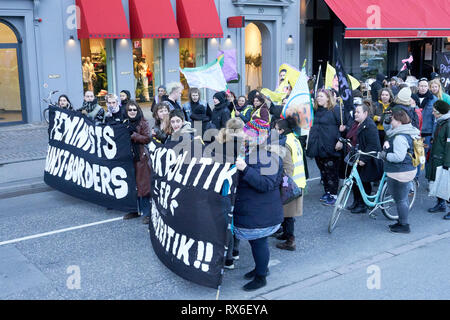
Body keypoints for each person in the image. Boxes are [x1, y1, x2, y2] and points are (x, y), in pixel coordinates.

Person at [233, 118, 283, 291]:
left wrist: (245, 169)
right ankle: (260, 268)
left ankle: (261, 276)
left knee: (259, 242)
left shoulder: (269, 155)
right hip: (253, 208)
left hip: (262, 211)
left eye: (250, 134)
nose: (246, 136)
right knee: (256, 243)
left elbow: (266, 184)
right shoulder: (250, 151)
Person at [378, 109, 421, 233]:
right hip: (406, 170)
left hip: (399, 172)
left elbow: (398, 157)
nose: (390, 121)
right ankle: (402, 221)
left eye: (392, 119)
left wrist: (384, 156)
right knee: (402, 198)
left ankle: (404, 225)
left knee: (400, 199)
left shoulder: (400, 137)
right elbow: (388, 129)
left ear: (399, 121)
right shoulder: (407, 131)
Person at [306, 89, 350, 206]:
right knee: (323, 171)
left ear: (328, 98)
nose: (318, 98)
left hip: (331, 146)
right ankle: (328, 192)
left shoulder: (336, 110)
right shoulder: (315, 111)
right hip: (317, 146)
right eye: (317, 96)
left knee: (332, 172)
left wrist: (341, 139)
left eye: (321, 96)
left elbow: (346, 126)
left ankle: (334, 194)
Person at [212, 118, 245, 269]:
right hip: (234, 185)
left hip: (225, 186)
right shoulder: (238, 145)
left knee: (229, 221)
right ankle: (233, 254)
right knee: (234, 219)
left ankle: (231, 255)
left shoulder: (219, 143)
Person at [339, 102, 383, 214]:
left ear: (366, 113)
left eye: (358, 112)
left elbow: (373, 145)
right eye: (355, 112)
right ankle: (356, 202)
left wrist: (364, 159)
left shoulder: (370, 126)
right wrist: (344, 130)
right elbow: (351, 135)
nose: (355, 114)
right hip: (355, 156)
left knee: (363, 182)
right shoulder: (356, 123)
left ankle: (363, 205)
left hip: (366, 158)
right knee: (354, 181)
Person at [273, 117, 306, 251]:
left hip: (291, 183)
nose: (274, 131)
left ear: (281, 131)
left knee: (289, 214)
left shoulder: (285, 143)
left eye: (276, 129)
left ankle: (290, 240)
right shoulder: (294, 138)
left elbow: (288, 168)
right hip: (299, 180)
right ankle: (286, 233)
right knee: (287, 213)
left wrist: (284, 184)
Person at [123, 101, 152, 224]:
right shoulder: (123, 123)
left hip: (140, 157)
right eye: (130, 110)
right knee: (131, 185)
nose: (132, 112)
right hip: (127, 158)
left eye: (135, 109)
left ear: (138, 110)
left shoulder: (143, 122)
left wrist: (133, 134)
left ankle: (147, 213)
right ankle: (134, 210)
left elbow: (147, 138)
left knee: (143, 186)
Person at [425, 100, 450, 219]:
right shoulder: (441, 122)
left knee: (446, 185)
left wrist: (447, 163)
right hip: (437, 157)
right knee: (437, 182)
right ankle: (441, 204)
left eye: (435, 111)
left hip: (443, 160)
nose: (432, 113)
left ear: (441, 113)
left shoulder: (448, 124)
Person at [412, 78, 438, 153]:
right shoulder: (413, 98)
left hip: (427, 133)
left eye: (425, 86)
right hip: (414, 132)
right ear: (418, 86)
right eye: (421, 86)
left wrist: (433, 136)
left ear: (428, 87)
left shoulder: (434, 99)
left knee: (425, 155)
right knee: (415, 155)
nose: (423, 88)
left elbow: (435, 120)